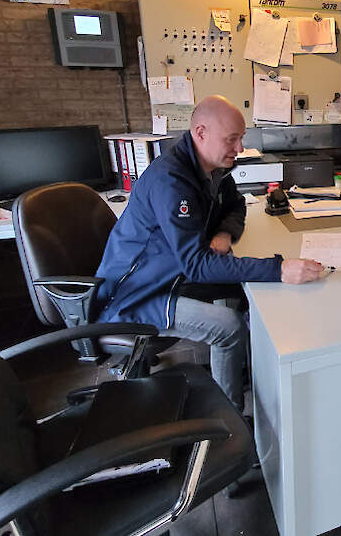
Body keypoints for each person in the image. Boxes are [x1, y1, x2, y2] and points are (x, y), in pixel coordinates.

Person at [94, 95, 323, 412]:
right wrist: (278, 269)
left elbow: (235, 205)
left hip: (171, 275)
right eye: (232, 139)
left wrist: (225, 233)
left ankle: (252, 371)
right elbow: (197, 266)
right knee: (227, 325)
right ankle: (228, 418)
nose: (240, 148)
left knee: (247, 291)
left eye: (241, 138)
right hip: (135, 295)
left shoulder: (213, 167)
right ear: (200, 132)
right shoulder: (172, 181)